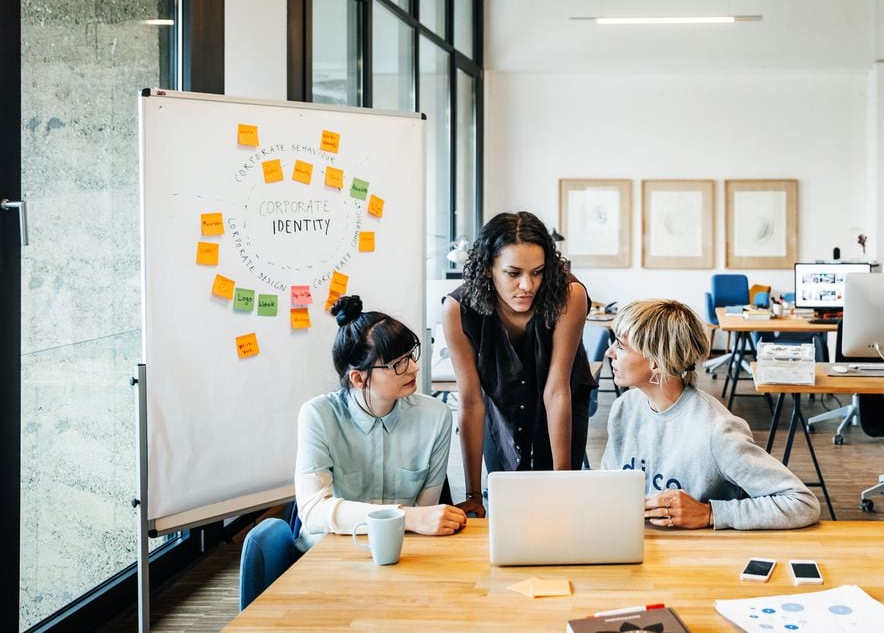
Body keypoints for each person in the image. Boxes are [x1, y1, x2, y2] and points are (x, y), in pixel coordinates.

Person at [601, 299, 820, 530]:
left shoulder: (717, 430)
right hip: (633, 542)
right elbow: (606, 485)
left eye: (621, 346)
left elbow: (802, 503)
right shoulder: (623, 408)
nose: (609, 352)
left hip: (697, 556)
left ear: (656, 362)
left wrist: (709, 513)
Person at [443, 211, 596, 518]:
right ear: (488, 269)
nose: (527, 285)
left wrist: (562, 480)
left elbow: (557, 390)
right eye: (513, 274)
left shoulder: (569, 295)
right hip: (499, 406)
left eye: (537, 272)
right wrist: (473, 495)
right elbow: (471, 403)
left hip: (561, 400)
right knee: (508, 503)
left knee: (556, 512)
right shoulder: (458, 310)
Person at [294, 295, 466, 550]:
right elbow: (313, 512)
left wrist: (414, 520)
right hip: (331, 552)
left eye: (411, 355)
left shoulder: (435, 416)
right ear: (359, 378)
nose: (414, 368)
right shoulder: (318, 416)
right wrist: (406, 516)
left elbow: (427, 516)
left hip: (404, 551)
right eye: (398, 363)